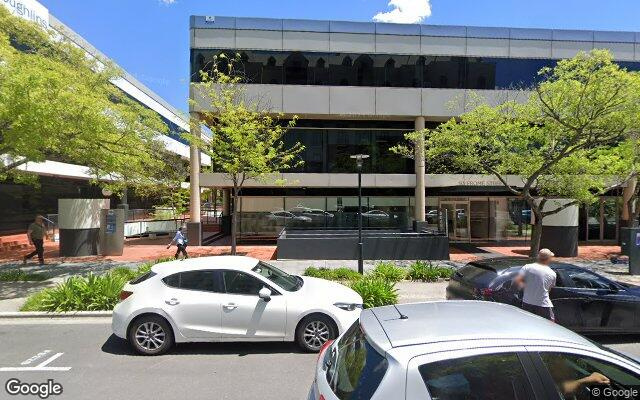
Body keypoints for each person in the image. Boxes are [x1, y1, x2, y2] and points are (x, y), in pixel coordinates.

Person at [514, 248, 557, 321]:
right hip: (543, 305)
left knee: (529, 325)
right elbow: (549, 290)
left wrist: (526, 287)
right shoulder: (552, 273)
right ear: (549, 259)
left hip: (527, 303)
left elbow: (517, 280)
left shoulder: (527, 267)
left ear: (538, 257)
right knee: (549, 327)